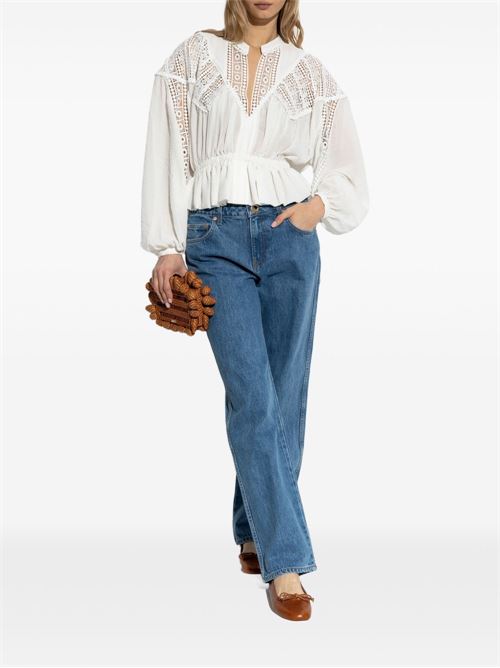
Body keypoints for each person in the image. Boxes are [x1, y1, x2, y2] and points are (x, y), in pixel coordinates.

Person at [140, 0, 368, 621]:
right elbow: (167, 151)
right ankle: (286, 561)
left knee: (284, 396)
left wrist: (315, 210)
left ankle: (252, 530)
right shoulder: (192, 58)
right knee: (253, 397)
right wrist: (166, 246)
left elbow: (348, 171)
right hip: (213, 238)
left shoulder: (310, 73)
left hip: (289, 237)